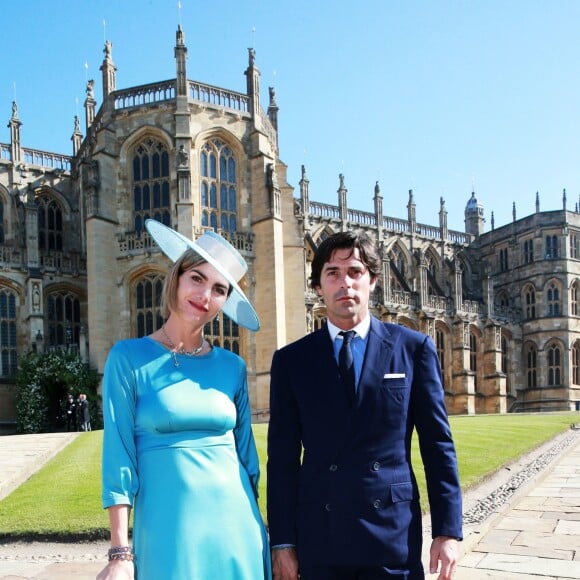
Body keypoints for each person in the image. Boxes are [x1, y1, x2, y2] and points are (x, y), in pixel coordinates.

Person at [267, 231, 462, 580]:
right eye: (333, 273)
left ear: (373, 280)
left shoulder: (413, 349)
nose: (345, 283)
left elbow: (437, 445)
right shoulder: (291, 360)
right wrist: (281, 542)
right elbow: (282, 460)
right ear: (317, 286)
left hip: (391, 534)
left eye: (355, 272)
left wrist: (447, 531)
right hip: (320, 538)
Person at [97, 219, 271, 580]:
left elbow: (247, 460)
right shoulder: (127, 358)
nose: (205, 296)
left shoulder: (232, 366)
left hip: (237, 526)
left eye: (219, 289)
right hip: (167, 531)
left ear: (225, 301)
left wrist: (266, 532)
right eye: (197, 278)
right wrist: (119, 552)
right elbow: (118, 457)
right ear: (176, 277)